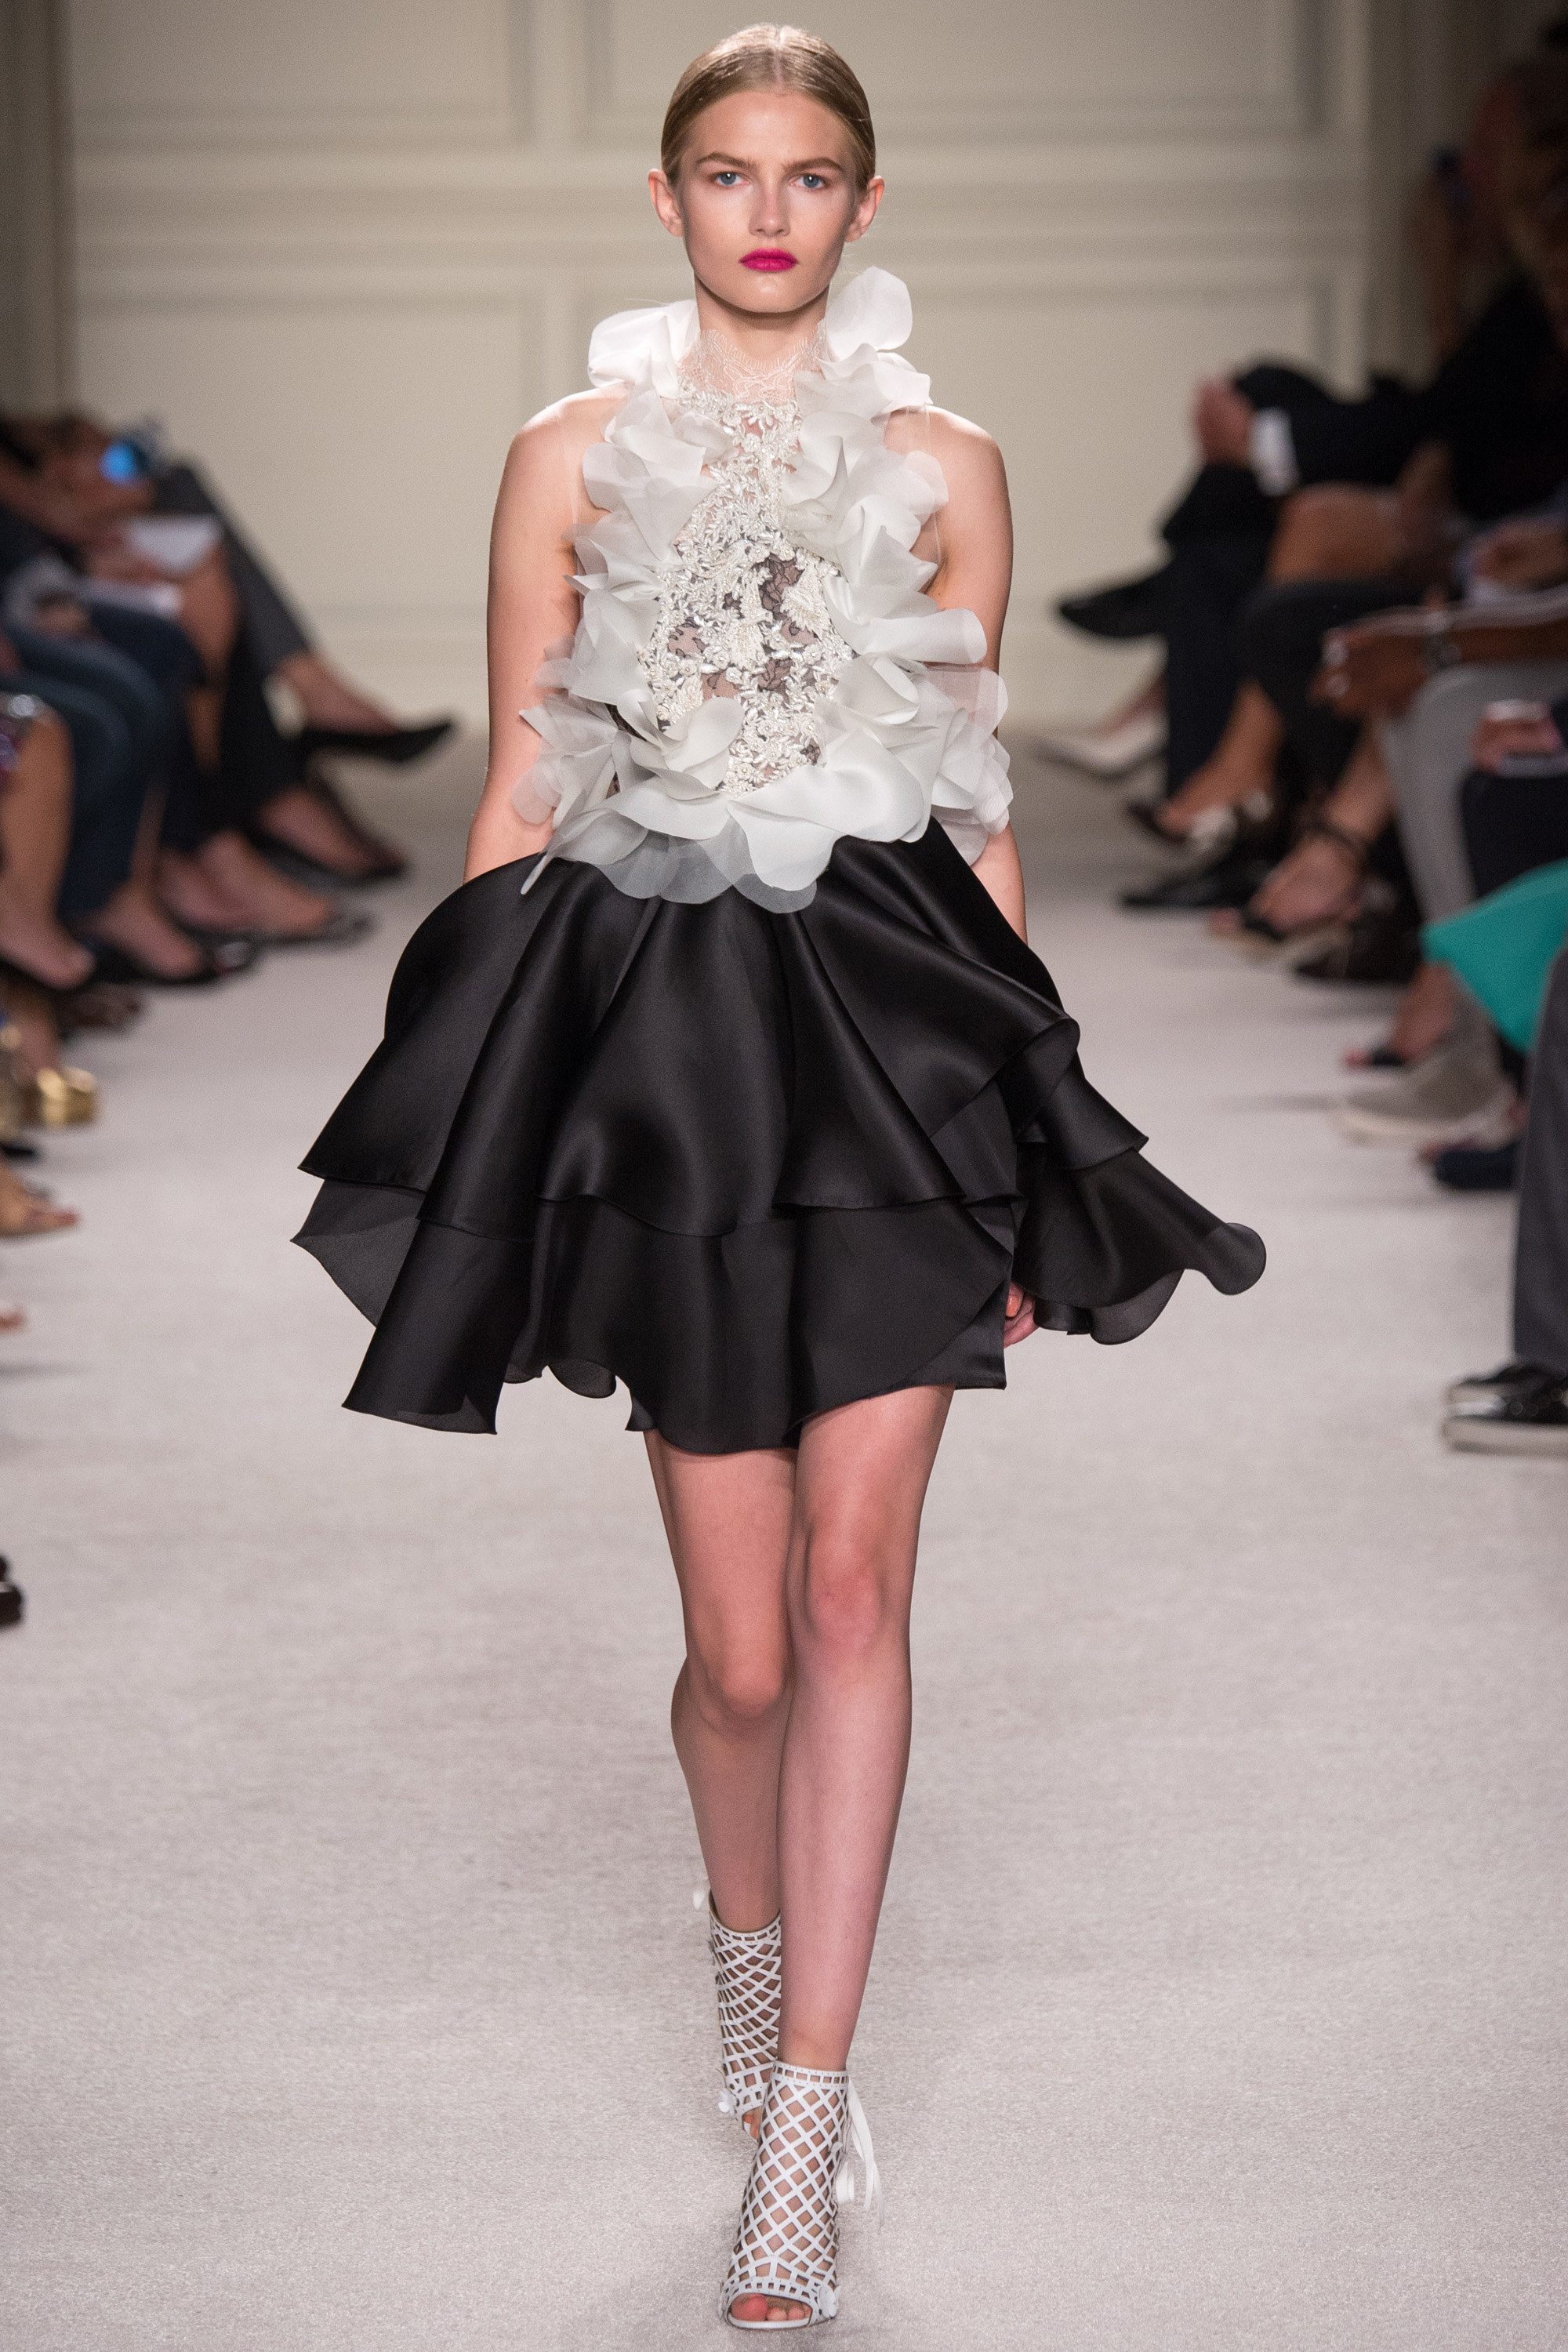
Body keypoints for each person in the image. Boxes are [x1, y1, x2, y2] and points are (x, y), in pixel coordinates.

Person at [293, 25, 1265, 2330]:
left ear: (864, 200)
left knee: (849, 1596)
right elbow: (522, 791)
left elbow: (978, 799)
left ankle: (804, 2129)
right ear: (665, 199)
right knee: (734, 1656)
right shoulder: (562, 456)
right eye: (726, 174)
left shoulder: (949, 463)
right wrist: (483, 1111)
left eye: (809, 175)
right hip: (666, 1054)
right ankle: (748, 1973)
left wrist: (1027, 1127)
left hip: (896, 1029)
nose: (766, 211)